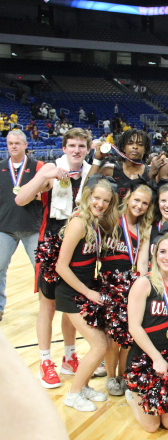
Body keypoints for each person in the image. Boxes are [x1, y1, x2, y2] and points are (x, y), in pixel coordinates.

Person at [15, 128, 94, 389]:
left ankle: (69, 357)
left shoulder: (91, 173)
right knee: (48, 306)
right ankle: (45, 361)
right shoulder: (51, 169)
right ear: (63, 148)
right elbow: (20, 199)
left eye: (81, 146)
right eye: (72, 145)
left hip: (79, 246)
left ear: (87, 149)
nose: (76, 150)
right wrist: (43, 176)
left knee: (71, 305)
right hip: (51, 245)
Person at [54, 176, 120, 411]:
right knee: (100, 345)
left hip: (83, 290)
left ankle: (82, 386)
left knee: (102, 342)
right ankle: (73, 394)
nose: (100, 204)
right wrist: (88, 293)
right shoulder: (79, 223)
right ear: (88, 196)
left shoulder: (95, 222)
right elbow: (61, 266)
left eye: (106, 200)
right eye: (96, 198)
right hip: (71, 292)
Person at [127, 227, 168, 431]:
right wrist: (156, 358)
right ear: (155, 254)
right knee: (152, 427)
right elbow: (134, 327)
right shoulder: (143, 283)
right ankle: (131, 397)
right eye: (163, 251)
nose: (167, 257)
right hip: (144, 358)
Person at [99, 181, 153, 396]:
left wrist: (140, 286)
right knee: (112, 338)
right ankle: (111, 377)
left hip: (131, 285)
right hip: (109, 285)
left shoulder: (144, 228)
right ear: (128, 198)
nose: (139, 205)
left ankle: (123, 375)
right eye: (136, 200)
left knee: (128, 337)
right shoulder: (111, 219)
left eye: (145, 203)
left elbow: (142, 263)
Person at [0, 130, 44, 322]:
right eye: (10, 143)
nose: (13, 146)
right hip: (4, 227)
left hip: (32, 226)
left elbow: (48, 193)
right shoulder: (1, 167)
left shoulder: (38, 167)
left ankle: (46, 306)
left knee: (41, 268)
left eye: (17, 143)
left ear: (26, 145)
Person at [90, 129, 150, 201]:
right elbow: (87, 191)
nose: (135, 147)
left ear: (145, 149)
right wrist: (97, 160)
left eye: (140, 144)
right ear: (123, 147)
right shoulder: (109, 170)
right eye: (130, 143)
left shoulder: (151, 173)